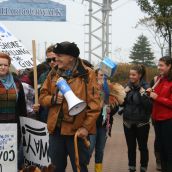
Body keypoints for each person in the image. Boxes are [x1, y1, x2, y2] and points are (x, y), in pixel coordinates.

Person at [39, 41, 101, 172]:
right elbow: (42, 97)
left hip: (77, 132)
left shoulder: (88, 74)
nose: (56, 58)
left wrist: (85, 128)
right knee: (55, 168)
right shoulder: (53, 73)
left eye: (60, 55)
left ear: (71, 57)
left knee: (80, 168)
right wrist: (53, 99)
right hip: (56, 132)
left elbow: (94, 106)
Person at [89, 69, 125, 172]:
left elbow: (117, 105)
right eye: (100, 75)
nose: (102, 78)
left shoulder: (109, 88)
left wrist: (110, 109)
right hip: (91, 125)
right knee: (89, 149)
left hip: (103, 126)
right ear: (95, 76)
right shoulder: (89, 88)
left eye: (104, 76)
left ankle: (98, 170)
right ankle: (83, 168)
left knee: (100, 150)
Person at [0, 52, 27, 170]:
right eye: (0, 64)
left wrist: (23, 124)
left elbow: (22, 106)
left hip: (12, 127)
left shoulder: (16, 82)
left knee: (9, 161)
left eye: (5, 65)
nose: (2, 67)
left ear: (9, 66)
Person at [123, 65, 152, 172]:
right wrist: (123, 94)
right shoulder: (127, 86)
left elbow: (149, 107)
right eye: (130, 74)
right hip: (127, 122)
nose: (131, 77)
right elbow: (122, 104)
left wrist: (142, 92)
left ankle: (143, 167)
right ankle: (132, 167)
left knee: (142, 147)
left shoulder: (147, 86)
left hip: (142, 123)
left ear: (139, 75)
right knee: (131, 148)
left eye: (133, 75)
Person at [149, 56, 172, 172]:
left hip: (168, 120)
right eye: (158, 65)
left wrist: (157, 97)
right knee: (161, 149)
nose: (159, 68)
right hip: (157, 119)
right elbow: (154, 98)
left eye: (162, 65)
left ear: (169, 66)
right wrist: (149, 93)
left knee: (168, 149)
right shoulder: (158, 79)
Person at [38, 45, 58, 123]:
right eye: (49, 60)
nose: (52, 62)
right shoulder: (43, 76)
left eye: (54, 59)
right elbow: (39, 94)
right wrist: (36, 105)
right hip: (45, 115)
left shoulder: (68, 74)